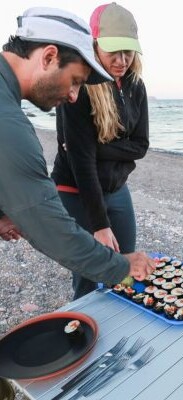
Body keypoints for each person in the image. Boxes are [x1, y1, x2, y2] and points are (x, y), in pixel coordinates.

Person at [0, 6, 155, 289]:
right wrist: (120, 265)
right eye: (75, 82)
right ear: (48, 57)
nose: (74, 96)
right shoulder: (10, 123)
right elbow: (49, 226)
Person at [51, 3, 149, 299]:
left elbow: (141, 145)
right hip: (75, 188)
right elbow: (80, 163)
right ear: (94, 46)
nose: (121, 61)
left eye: (128, 52)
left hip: (117, 187)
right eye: (113, 52)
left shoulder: (135, 85)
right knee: (88, 271)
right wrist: (99, 224)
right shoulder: (79, 87)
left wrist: (93, 147)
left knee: (127, 262)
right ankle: (85, 331)